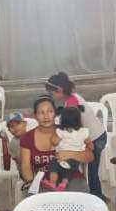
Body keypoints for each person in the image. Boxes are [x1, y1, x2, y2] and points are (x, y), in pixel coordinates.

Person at [45, 72, 108, 201]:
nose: (52, 97)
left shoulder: (72, 103)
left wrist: (55, 128)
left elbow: (72, 125)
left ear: (59, 90)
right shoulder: (71, 98)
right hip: (93, 135)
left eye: (52, 94)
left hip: (95, 138)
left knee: (90, 171)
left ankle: (96, 198)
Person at [19, 95, 92, 193]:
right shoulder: (27, 138)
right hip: (44, 181)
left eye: (50, 111)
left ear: (55, 113)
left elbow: (90, 156)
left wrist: (71, 154)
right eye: (41, 112)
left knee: (76, 198)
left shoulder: (68, 131)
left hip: (72, 176)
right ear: (35, 115)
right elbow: (26, 166)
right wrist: (31, 183)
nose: (46, 116)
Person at [43, 106, 92, 191]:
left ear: (63, 119)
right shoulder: (83, 131)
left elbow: (54, 142)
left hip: (61, 157)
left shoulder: (61, 131)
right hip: (75, 159)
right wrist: (88, 146)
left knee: (53, 166)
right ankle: (63, 183)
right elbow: (90, 144)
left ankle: (52, 183)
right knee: (68, 170)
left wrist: (54, 136)